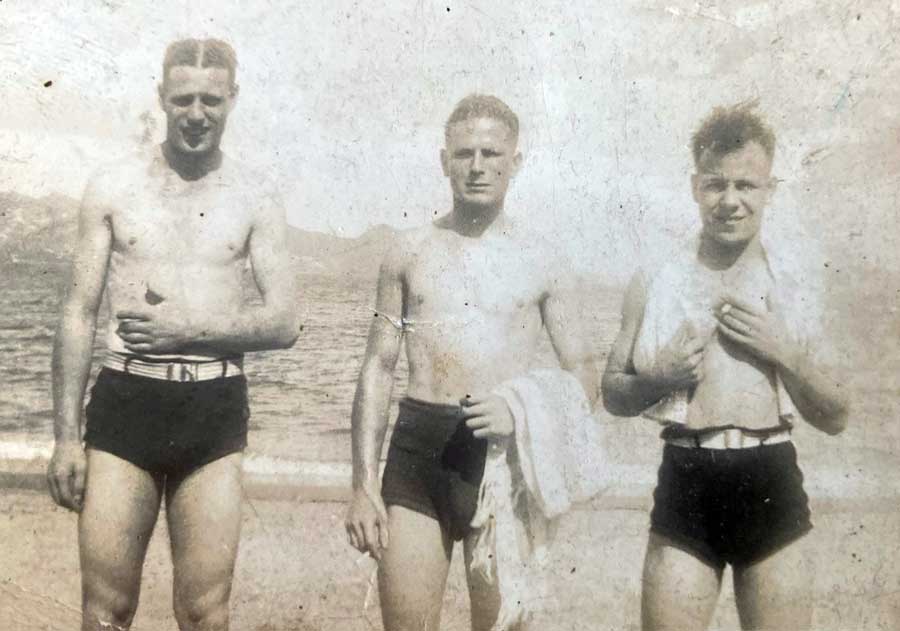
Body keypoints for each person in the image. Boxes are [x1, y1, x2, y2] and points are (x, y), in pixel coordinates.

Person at [47, 38, 299, 631]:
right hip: (126, 402)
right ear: (160, 97)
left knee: (205, 611)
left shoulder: (256, 194)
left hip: (212, 406)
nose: (196, 113)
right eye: (182, 97)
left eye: (211, 100)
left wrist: (189, 329)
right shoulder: (113, 185)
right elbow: (78, 314)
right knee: (105, 610)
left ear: (233, 99)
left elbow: (286, 320)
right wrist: (63, 438)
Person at [344, 94, 600, 631]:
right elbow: (377, 368)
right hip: (419, 453)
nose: (477, 166)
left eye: (491, 153)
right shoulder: (408, 251)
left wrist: (523, 411)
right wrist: (363, 485)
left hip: (504, 459)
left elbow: (582, 371)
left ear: (515, 162)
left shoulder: (544, 258)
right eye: (464, 153)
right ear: (444, 161)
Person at [602, 104, 849, 631]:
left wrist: (785, 350)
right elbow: (612, 393)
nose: (730, 201)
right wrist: (661, 379)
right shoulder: (657, 277)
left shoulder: (793, 284)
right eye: (716, 185)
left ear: (769, 189)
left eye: (746, 185)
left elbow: (836, 415)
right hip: (687, 480)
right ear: (695, 187)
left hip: (771, 476)